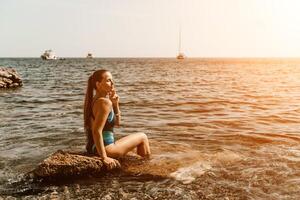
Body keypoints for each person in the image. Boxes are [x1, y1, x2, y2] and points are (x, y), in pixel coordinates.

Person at [84, 69, 151, 169]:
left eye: (112, 80)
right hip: (107, 148)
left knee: (138, 140)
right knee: (143, 136)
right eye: (108, 80)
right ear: (98, 84)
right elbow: (96, 130)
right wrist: (104, 157)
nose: (112, 83)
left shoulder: (93, 101)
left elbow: (117, 124)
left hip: (93, 147)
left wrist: (115, 104)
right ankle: (146, 167)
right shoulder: (104, 103)